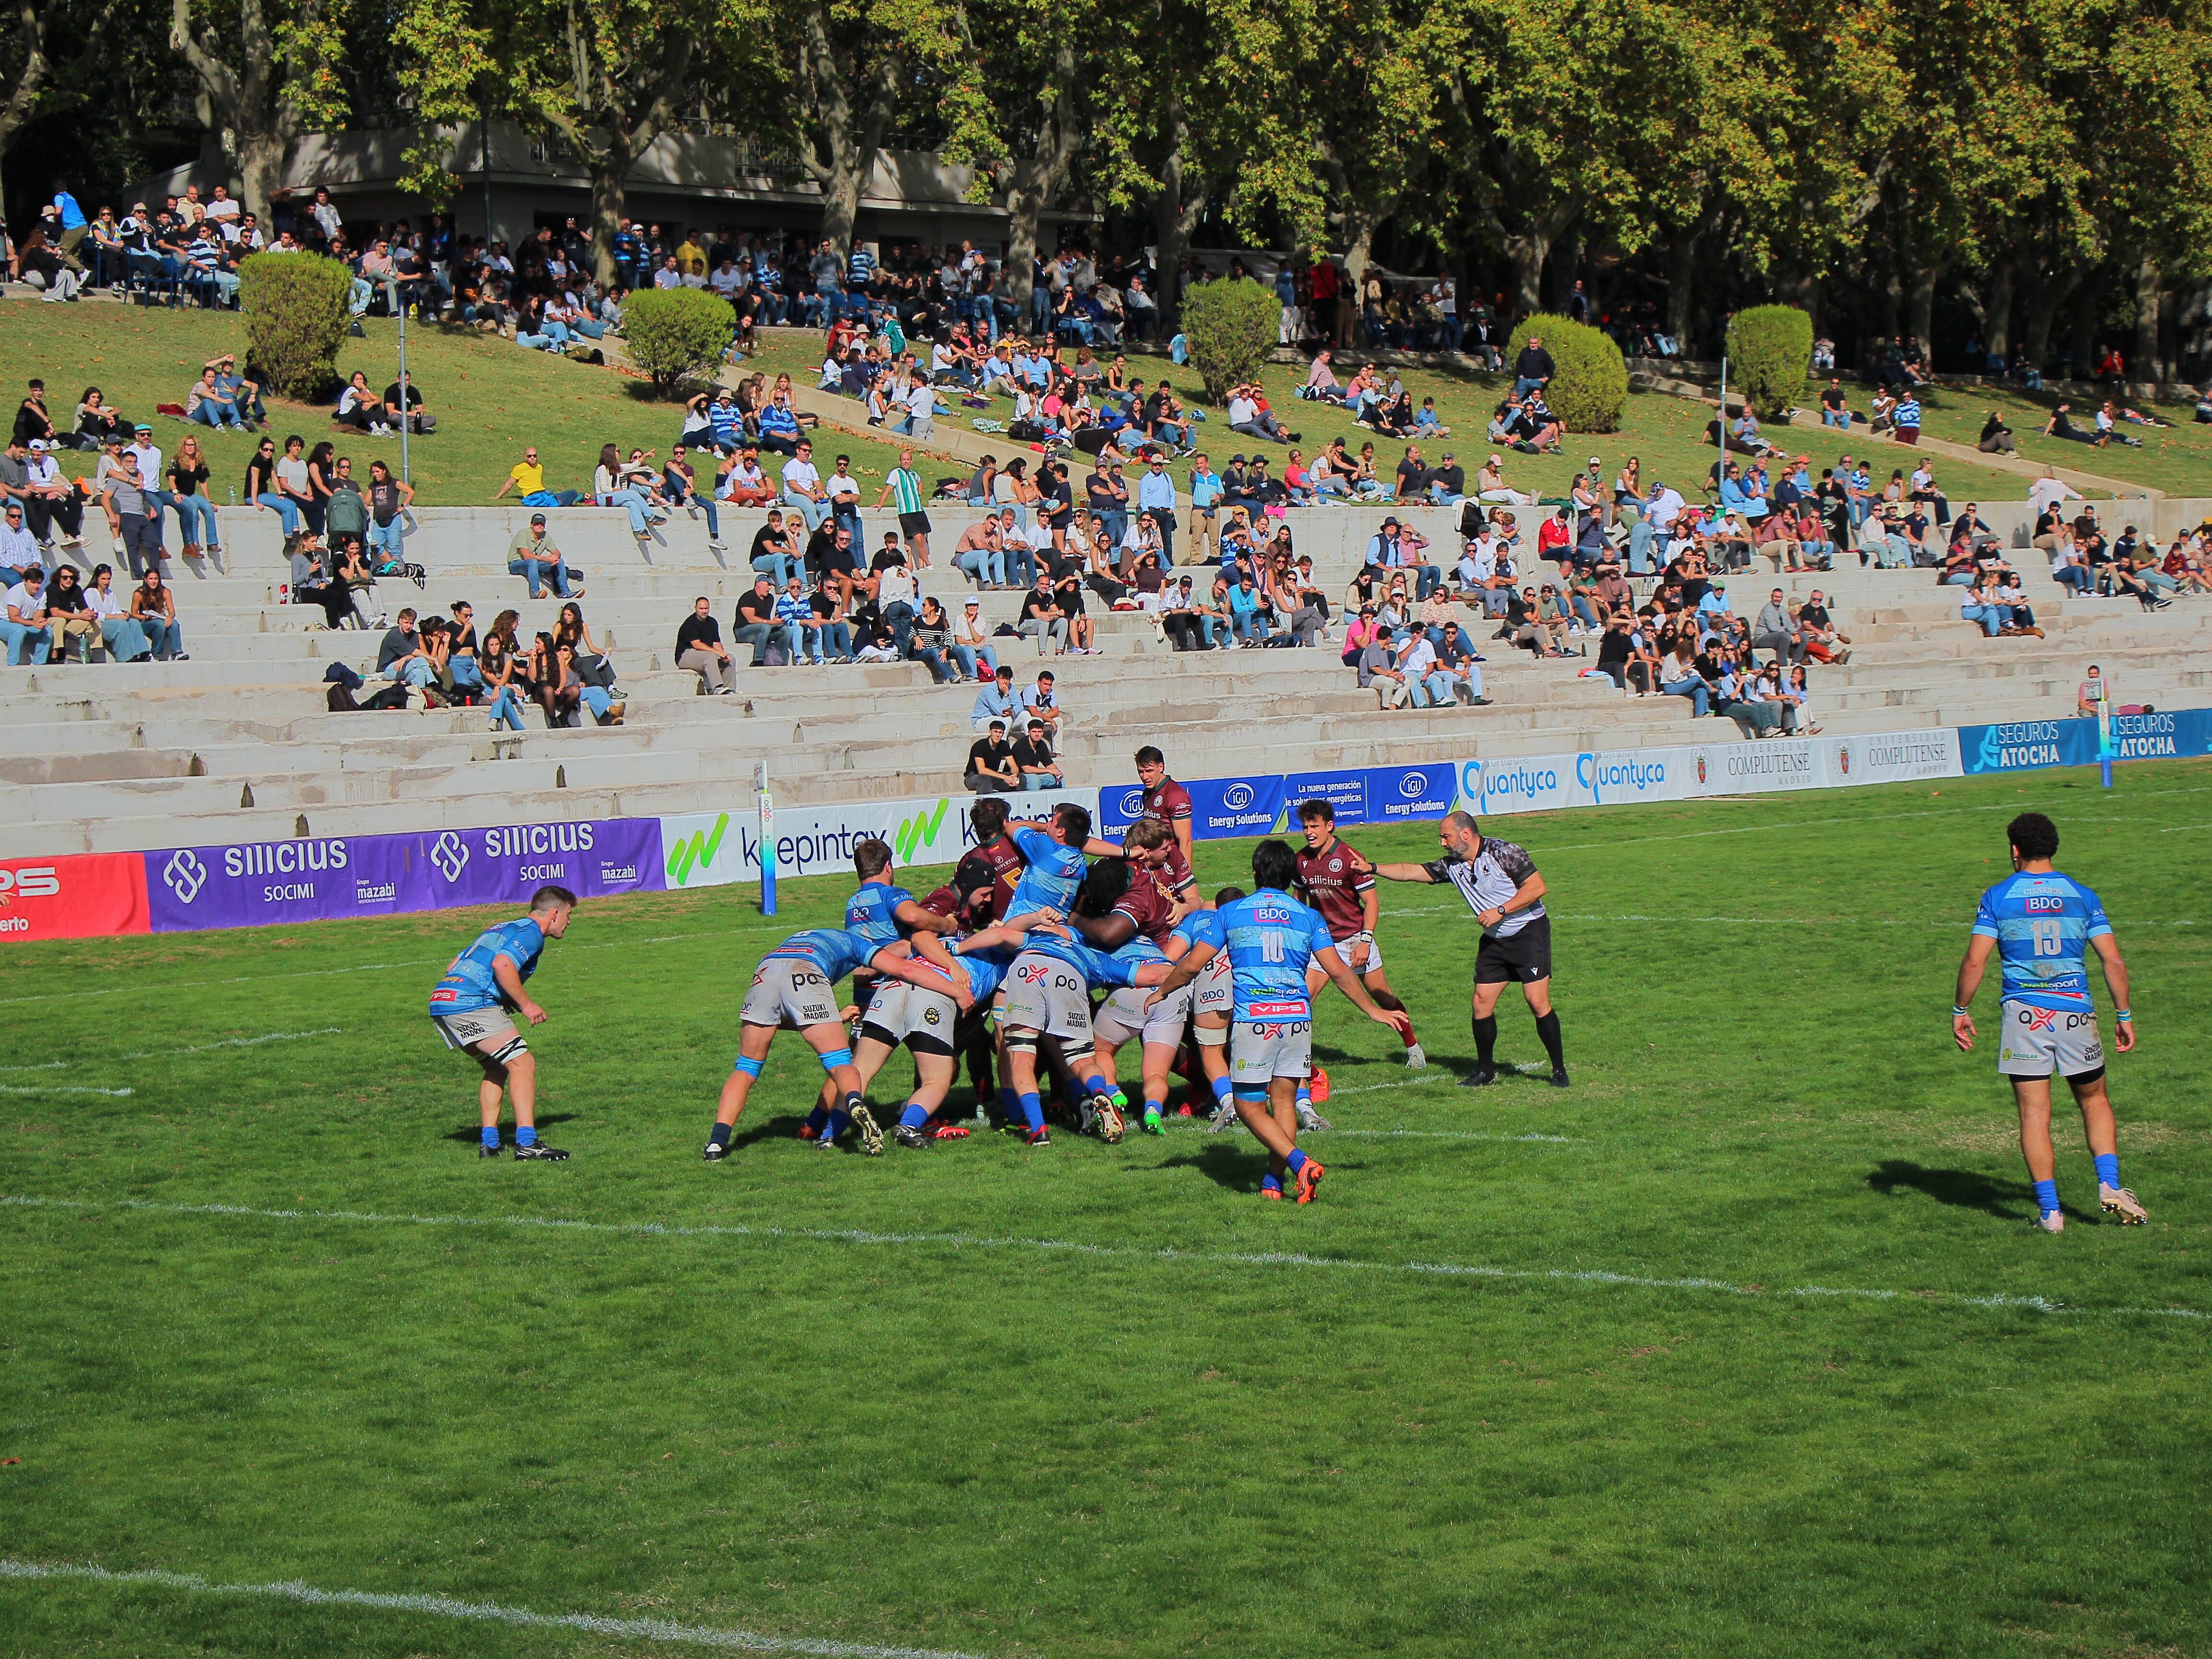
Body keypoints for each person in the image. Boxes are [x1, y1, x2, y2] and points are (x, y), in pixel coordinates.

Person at [1143, 840, 1410, 1200]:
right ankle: (1274, 1181)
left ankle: (1299, 1163)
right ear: (1291, 876)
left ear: (1255, 873)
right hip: (1298, 1020)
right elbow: (1340, 971)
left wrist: (1162, 991)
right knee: (1284, 1102)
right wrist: (1373, 1010)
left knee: (1247, 1105)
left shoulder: (1232, 912)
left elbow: (1191, 965)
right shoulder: (1309, 917)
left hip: (1256, 1021)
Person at [1951, 813, 2147, 1231]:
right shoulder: (2082, 895)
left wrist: (1960, 1010)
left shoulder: (1998, 896)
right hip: (2077, 1012)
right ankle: (2109, 1186)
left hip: (2024, 1017)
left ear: (2015, 849)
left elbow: (1975, 960)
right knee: (2094, 1101)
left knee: (2034, 1114)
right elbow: (2112, 959)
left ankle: (2051, 1214)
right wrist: (2124, 1014)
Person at [1373, 810, 1565, 1088]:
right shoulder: (1453, 865)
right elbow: (1412, 871)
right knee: (1480, 1003)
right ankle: (1485, 1072)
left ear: (1465, 834)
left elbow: (1537, 887)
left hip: (1529, 934)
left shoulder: (1505, 852)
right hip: (1494, 940)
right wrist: (1373, 868)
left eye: (1445, 836)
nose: (1442, 843)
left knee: (1537, 1002)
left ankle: (1559, 1070)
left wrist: (1501, 910)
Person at [428, 885, 577, 1160]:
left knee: (497, 1065)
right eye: (569, 915)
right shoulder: (532, 934)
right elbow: (503, 964)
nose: (569, 922)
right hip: (470, 1002)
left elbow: (453, 966)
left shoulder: (502, 927)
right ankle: (528, 1143)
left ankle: (490, 1143)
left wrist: (501, 996)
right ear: (554, 914)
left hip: (443, 1001)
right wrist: (527, 1005)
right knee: (523, 1063)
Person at [507, 513, 581, 599]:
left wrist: (555, 558)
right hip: (516, 564)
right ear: (532, 525)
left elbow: (557, 552)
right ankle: (535, 592)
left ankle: (565, 592)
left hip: (534, 565)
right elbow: (527, 556)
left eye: (542, 524)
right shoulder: (523, 534)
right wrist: (548, 559)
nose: (540, 526)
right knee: (532, 561)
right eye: (537, 524)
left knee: (560, 561)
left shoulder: (545, 536)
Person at [676, 594, 736, 694]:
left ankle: (729, 688)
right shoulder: (690, 623)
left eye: (706, 608)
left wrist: (723, 654)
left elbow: (716, 642)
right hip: (685, 655)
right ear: (696, 608)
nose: (704, 611)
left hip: (705, 653)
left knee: (731, 659)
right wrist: (716, 652)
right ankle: (716, 688)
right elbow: (697, 645)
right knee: (711, 657)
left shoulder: (712, 622)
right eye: (701, 608)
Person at [966, 719, 1020, 791]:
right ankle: (986, 802)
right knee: (985, 779)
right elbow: (982, 770)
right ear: (990, 732)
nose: (998, 735)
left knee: (1021, 778)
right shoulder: (979, 746)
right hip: (974, 777)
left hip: (993, 776)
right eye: (995, 732)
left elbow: (1013, 766)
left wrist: (1015, 775)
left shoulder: (1004, 745)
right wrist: (1004, 777)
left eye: (1000, 733)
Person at [1011, 717, 1062, 790]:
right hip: (1017, 777)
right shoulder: (1020, 745)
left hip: (1033, 775)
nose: (1037, 734)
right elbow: (1027, 769)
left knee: (1060, 778)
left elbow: (1049, 764)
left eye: (1039, 732)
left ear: (1042, 733)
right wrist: (1049, 771)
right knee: (1034, 779)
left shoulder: (1042, 745)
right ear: (1029, 732)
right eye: (1034, 732)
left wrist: (1058, 772)